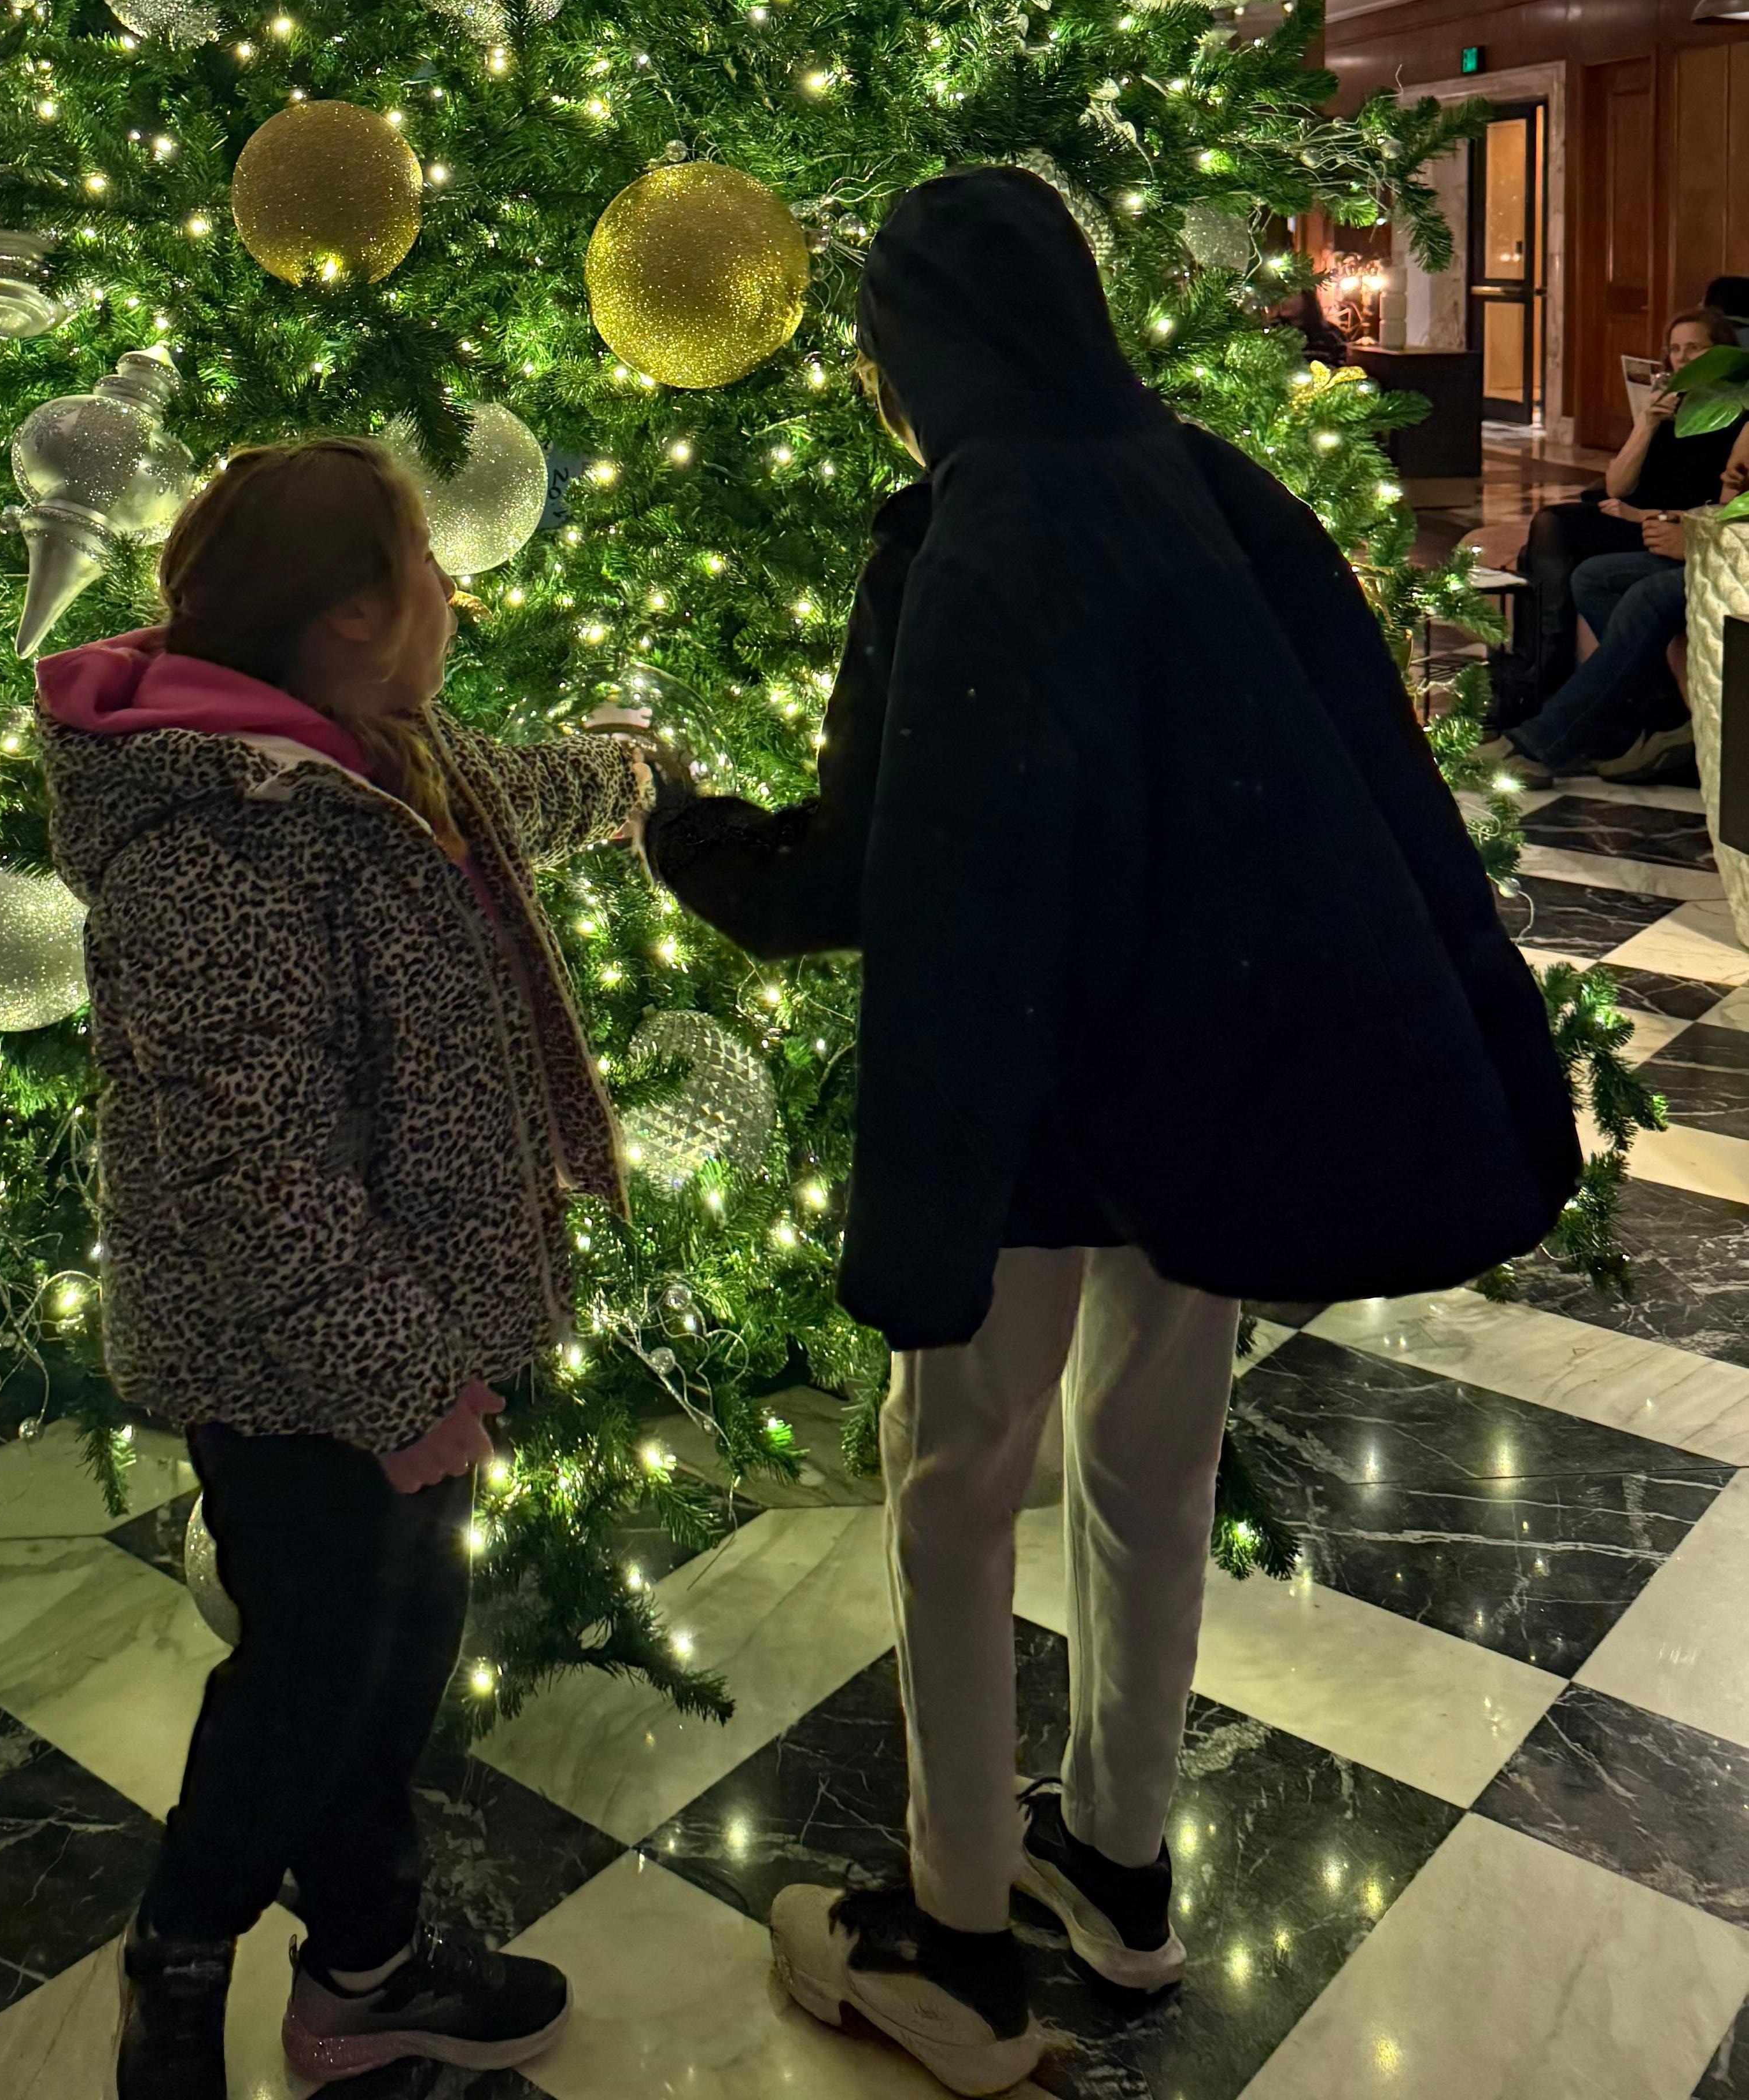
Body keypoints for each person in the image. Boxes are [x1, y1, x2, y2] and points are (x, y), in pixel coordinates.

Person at [645, 169, 1577, 2096]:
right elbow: (1358, 767)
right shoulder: (1208, 480)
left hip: (1033, 1094)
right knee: (1153, 1471)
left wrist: (679, 830)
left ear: (910, 345)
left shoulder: (969, 530)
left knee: (954, 1481)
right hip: (1223, 1076)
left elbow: (898, 864)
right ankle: (1121, 1866)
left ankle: (958, 1937)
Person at [38, 437, 654, 2100]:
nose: (453, 595)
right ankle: (179, 1955)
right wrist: (393, 1387)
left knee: (393, 1645)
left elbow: (499, 799)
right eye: (426, 571)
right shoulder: (214, 842)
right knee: (313, 1678)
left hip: (413, 1331)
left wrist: (621, 775)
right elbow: (256, 1172)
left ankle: (366, 1970)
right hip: (291, 1363)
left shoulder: (373, 754)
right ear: (347, 618)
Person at [1487, 309, 1743, 728]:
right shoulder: (1671, 405)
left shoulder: (1735, 416)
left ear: (1723, 353)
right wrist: (1645, 424)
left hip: (1666, 523)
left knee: (1554, 551)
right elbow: (1617, 485)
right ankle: (1539, 671)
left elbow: (1720, 508)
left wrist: (1645, 514)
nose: (1683, 358)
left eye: (1695, 348)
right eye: (1676, 350)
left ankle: (1539, 678)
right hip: (1629, 511)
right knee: (1548, 528)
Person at [1477, 415, 1749, 788]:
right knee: (1594, 578)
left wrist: (1699, 545)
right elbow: (1726, 503)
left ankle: (1544, 741)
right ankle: (1665, 716)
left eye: (1695, 349)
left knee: (1649, 596)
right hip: (1724, 546)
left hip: (1738, 560)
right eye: (1677, 350)